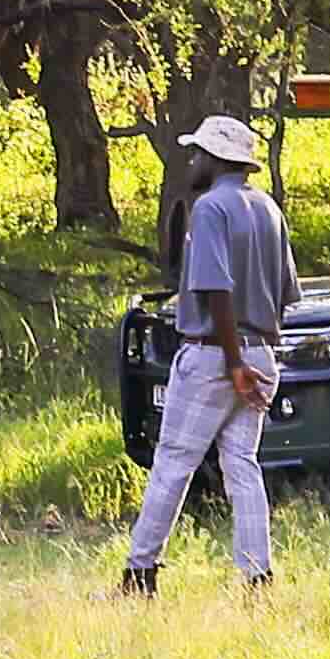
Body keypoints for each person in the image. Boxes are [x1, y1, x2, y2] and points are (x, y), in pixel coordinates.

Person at [125, 110, 295, 595]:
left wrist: (233, 361)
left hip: (216, 355)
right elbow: (285, 293)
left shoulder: (210, 209)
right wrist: (257, 356)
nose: (193, 160)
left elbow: (216, 287)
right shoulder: (268, 209)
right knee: (242, 465)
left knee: (173, 462)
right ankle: (257, 578)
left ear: (217, 158)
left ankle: (140, 573)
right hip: (261, 350)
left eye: (198, 152)